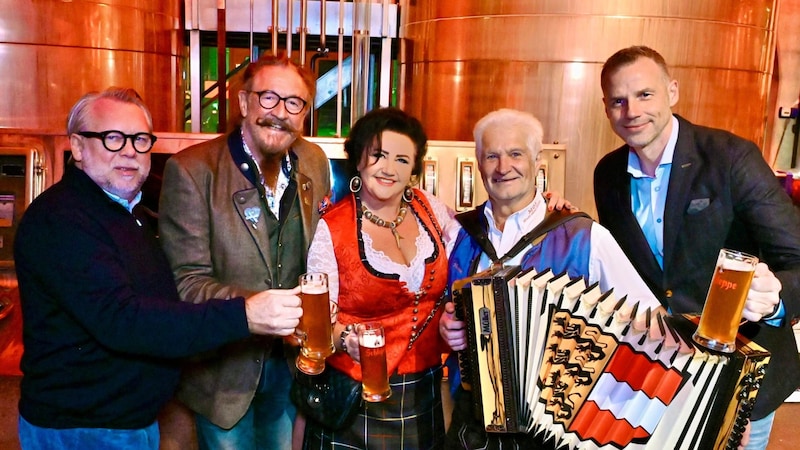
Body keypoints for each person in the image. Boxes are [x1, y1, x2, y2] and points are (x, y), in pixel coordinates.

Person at [13, 87, 302, 449]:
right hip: (85, 428)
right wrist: (244, 315)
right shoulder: (62, 219)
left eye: (139, 139)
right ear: (78, 146)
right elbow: (124, 320)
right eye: (112, 138)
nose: (129, 151)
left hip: (124, 422)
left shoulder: (125, 209)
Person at [594, 45, 800, 450]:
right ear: (606, 108)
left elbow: (796, 257)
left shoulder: (731, 157)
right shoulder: (608, 175)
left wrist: (774, 299)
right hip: (660, 377)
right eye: (619, 100)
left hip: (743, 378)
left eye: (645, 94)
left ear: (672, 91)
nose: (632, 111)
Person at [439, 108, 664, 449]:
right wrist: (447, 326)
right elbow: (440, 309)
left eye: (516, 154)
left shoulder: (586, 238)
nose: (503, 167)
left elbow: (651, 323)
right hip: (473, 423)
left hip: (560, 429)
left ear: (537, 160)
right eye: (492, 156)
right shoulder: (457, 233)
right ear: (478, 163)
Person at [158, 54, 331, 450]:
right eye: (268, 98)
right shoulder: (191, 171)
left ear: (304, 113)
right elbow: (185, 283)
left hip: (292, 369)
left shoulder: (314, 161)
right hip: (224, 377)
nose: (279, 113)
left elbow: (320, 254)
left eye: (294, 103)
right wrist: (255, 308)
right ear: (243, 104)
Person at [302, 107, 457, 448]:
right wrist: (346, 340)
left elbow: (484, 236)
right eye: (378, 155)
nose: (389, 169)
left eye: (402, 159)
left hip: (424, 388)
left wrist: (543, 203)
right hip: (355, 392)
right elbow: (315, 321)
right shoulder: (333, 228)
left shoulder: (431, 208)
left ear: (414, 169)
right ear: (358, 159)